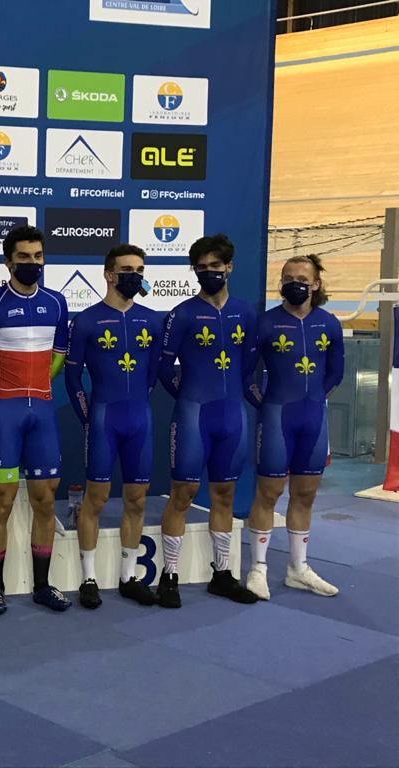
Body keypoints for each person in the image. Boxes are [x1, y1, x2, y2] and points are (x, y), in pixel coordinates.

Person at [0, 224, 72, 615]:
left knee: (45, 500)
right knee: (3, 502)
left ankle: (42, 585)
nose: (32, 263)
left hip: (41, 412)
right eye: (23, 257)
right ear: (8, 262)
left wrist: (39, 385)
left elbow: (59, 355)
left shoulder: (57, 303)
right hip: (3, 414)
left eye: (38, 256)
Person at [157, 234, 259, 607]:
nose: (209, 272)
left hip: (232, 414)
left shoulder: (246, 313)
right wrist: (188, 398)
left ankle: (222, 574)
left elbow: (248, 367)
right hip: (193, 414)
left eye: (215, 266)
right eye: (201, 268)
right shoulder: (181, 314)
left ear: (229, 267)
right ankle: (169, 575)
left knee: (225, 494)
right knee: (182, 494)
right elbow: (164, 369)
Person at [65, 244, 163, 609]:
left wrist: (137, 403)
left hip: (139, 419)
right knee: (96, 499)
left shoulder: (152, 320)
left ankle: (128, 576)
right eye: (127, 270)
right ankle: (88, 578)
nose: (134, 276)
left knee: (137, 499)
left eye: (139, 270)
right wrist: (88, 417)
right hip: (103, 419)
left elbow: (152, 374)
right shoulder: (86, 321)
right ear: (109, 275)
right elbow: (72, 378)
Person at [244, 254, 344, 598]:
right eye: (288, 278)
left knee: (305, 495)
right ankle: (258, 569)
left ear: (315, 284)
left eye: (302, 279)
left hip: (313, 419)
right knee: (268, 493)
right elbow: (246, 373)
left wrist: (314, 399)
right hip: (276, 417)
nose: (294, 284)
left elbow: (335, 373)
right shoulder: (266, 323)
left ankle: (298, 569)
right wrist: (267, 405)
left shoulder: (329, 324)